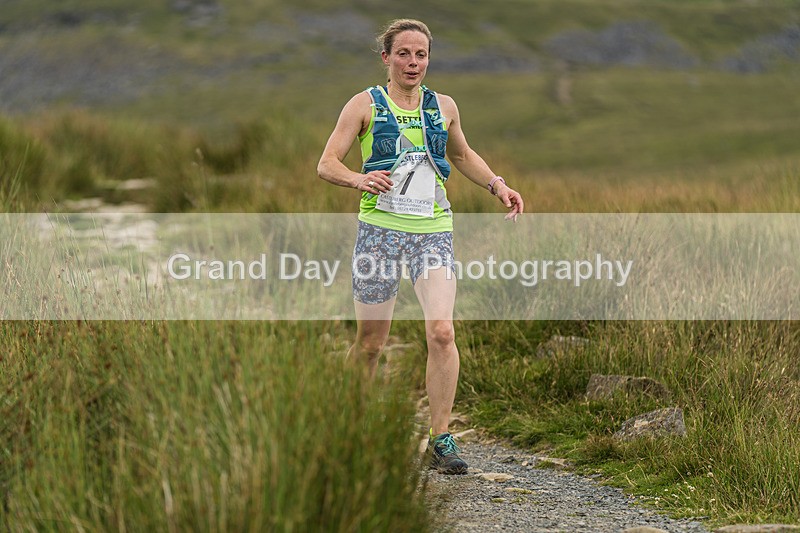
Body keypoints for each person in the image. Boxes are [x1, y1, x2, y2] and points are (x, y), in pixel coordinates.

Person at [317, 19, 524, 475]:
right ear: (386, 57)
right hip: (380, 232)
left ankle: (440, 439)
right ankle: (350, 427)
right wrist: (357, 179)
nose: (413, 63)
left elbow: (461, 154)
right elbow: (327, 163)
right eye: (404, 54)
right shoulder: (364, 104)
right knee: (371, 344)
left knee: (442, 332)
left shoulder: (443, 106)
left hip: (433, 231)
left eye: (421, 55)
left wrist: (498, 185)